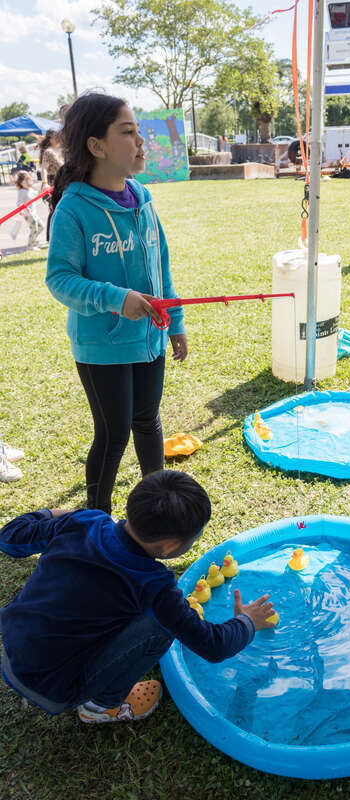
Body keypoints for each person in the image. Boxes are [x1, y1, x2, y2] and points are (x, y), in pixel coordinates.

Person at [0, 469, 276, 723]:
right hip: (54, 690)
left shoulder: (84, 521)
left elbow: (9, 538)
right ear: (169, 547)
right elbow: (214, 645)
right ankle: (101, 707)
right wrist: (247, 621)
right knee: (160, 626)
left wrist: (69, 515)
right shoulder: (155, 586)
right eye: (195, 537)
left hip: (11, 649)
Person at [46, 93, 188, 515]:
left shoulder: (142, 198)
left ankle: (157, 510)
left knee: (148, 422)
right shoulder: (74, 207)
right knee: (112, 435)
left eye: (138, 131)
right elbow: (59, 279)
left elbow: (160, 264)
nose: (140, 141)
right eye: (127, 132)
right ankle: (95, 521)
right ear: (96, 146)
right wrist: (115, 299)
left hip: (150, 338)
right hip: (102, 347)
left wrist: (175, 320)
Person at [14, 171, 44, 250]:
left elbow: (37, 193)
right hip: (28, 215)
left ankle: (33, 241)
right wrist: (22, 211)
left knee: (41, 227)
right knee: (34, 229)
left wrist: (44, 190)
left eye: (28, 179)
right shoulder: (22, 191)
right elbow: (19, 203)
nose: (26, 182)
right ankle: (30, 246)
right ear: (20, 182)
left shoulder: (30, 189)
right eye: (24, 180)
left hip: (34, 213)